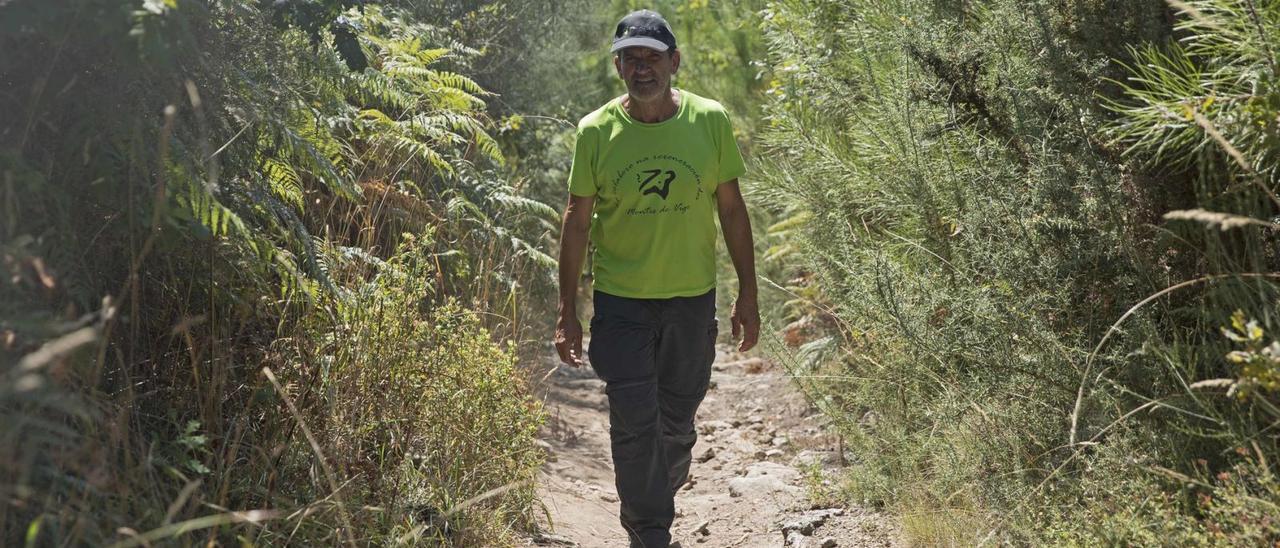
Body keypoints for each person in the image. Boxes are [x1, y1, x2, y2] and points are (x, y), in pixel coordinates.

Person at [553, 9, 760, 548]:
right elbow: (576, 222)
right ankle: (649, 530)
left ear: (674, 61)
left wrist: (748, 293)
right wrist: (567, 311)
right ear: (618, 66)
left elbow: (732, 212)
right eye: (630, 59)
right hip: (621, 302)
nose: (641, 68)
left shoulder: (709, 120)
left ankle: (665, 468)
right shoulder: (596, 131)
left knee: (675, 414)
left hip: (692, 299)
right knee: (633, 418)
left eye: (651, 57)